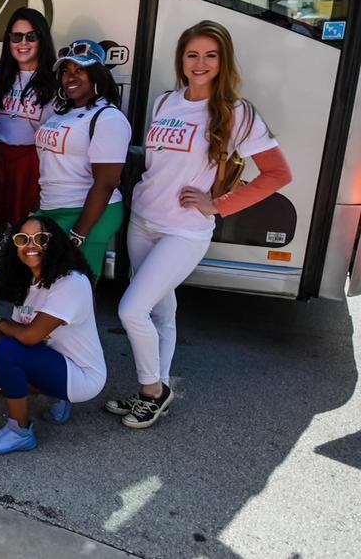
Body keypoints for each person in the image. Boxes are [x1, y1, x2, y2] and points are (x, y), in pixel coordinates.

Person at [110, 21, 291, 428]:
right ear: (181, 59)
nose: (200, 63)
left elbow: (277, 174)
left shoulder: (235, 113)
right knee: (161, 312)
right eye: (192, 54)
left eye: (210, 55)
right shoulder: (164, 103)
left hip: (184, 230)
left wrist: (219, 205)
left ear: (223, 61)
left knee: (131, 309)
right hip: (143, 220)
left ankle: (154, 391)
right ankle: (150, 389)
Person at [0, 216, 107, 455]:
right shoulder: (29, 284)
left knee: (7, 351)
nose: (31, 245)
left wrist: (2, 323)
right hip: (49, 360)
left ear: (55, 243)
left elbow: (29, 337)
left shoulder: (71, 281)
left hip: (82, 375)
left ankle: (19, 431)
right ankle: (55, 392)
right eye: (23, 239)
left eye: (40, 238)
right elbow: (16, 335)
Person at [34, 39, 129, 280]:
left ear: (97, 75)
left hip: (87, 213)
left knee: (76, 290)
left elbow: (106, 183)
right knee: (42, 285)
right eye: (65, 71)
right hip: (51, 208)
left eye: (80, 70)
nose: (70, 77)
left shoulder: (108, 118)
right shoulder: (62, 112)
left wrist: (79, 234)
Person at [0, 8, 58, 255]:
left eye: (30, 36)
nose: (22, 43)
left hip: (32, 165)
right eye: (16, 37)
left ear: (42, 39)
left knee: (26, 235)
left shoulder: (54, 81)